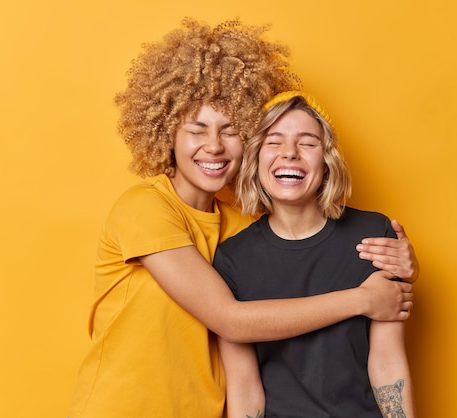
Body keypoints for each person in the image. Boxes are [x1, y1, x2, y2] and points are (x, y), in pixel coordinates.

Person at [68, 19, 417, 418]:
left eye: (230, 130)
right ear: (166, 133)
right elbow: (231, 321)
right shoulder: (144, 209)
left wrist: (407, 267)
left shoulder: (240, 229)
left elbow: (298, 254)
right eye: (196, 130)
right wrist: (363, 300)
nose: (213, 146)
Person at [214, 91, 417, 417]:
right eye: (274, 142)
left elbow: (387, 361)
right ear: (255, 159)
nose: (290, 153)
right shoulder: (232, 259)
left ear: (327, 160)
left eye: (307, 143)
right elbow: (244, 387)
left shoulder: (374, 236)